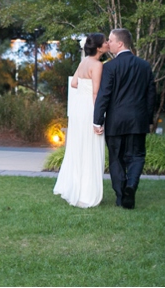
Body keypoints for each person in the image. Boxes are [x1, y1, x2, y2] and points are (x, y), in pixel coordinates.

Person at [92, 28, 156, 209]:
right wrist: (148, 119)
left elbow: (104, 95)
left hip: (116, 122)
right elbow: (151, 95)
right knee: (136, 157)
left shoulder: (110, 67)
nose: (108, 44)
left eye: (110, 40)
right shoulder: (144, 66)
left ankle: (121, 197)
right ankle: (131, 186)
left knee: (116, 159)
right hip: (138, 121)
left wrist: (97, 120)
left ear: (120, 43)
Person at [53, 33, 109, 208]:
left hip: (79, 110)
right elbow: (96, 93)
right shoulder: (97, 65)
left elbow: (74, 83)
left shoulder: (83, 62)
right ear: (99, 47)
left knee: (79, 148)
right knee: (90, 148)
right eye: (105, 41)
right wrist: (98, 119)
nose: (108, 43)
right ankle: (86, 193)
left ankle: (77, 189)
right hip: (90, 109)